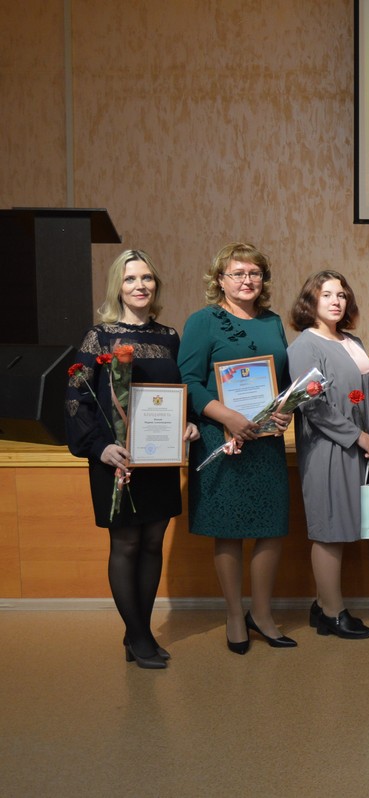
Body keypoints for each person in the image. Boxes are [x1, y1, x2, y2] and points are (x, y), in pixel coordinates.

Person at [65, 250, 200, 669]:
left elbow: (185, 390)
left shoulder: (170, 337)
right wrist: (98, 447)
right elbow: (75, 397)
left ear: (155, 285)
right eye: (130, 280)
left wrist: (190, 423)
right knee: (125, 544)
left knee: (153, 543)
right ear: (117, 287)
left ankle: (135, 632)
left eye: (146, 278)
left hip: (158, 461)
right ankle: (140, 637)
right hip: (116, 459)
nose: (140, 286)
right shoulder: (99, 336)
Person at [178, 242, 295, 654]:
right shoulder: (202, 321)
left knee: (270, 527)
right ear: (220, 280)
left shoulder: (274, 321)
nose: (247, 281)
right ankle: (233, 614)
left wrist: (284, 412)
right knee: (227, 531)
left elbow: (281, 381)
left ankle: (261, 613)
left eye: (254, 273)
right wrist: (227, 418)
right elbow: (188, 381)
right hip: (221, 438)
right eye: (237, 274)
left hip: (264, 440)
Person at [289, 271, 369, 639]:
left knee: (344, 527)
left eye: (341, 294)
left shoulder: (353, 341)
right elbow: (312, 406)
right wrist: (357, 436)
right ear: (310, 302)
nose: (336, 301)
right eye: (326, 294)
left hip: (359, 446)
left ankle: (322, 604)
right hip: (327, 450)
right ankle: (333, 613)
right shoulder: (304, 347)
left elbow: (366, 394)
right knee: (329, 530)